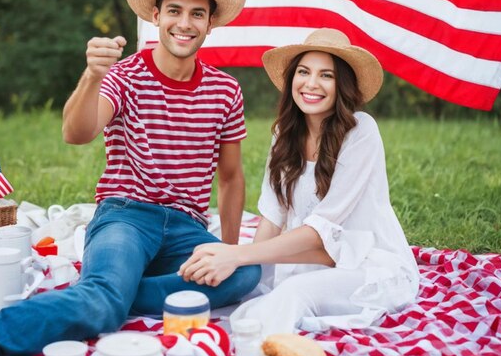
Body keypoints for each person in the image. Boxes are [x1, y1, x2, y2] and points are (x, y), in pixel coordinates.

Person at [0, 0, 261, 356]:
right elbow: (77, 133)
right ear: (156, 16)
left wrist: (229, 251)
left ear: (210, 22)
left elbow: (232, 177)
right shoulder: (123, 75)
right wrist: (93, 75)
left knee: (245, 272)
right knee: (103, 305)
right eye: (174, 11)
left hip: (187, 225)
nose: (185, 23)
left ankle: (124, 290)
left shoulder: (225, 89)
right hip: (126, 214)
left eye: (197, 13)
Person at [179, 28, 419, 335]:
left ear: (342, 85)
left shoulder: (361, 132)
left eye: (326, 75)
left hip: (364, 263)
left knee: (293, 295)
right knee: (238, 286)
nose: (311, 83)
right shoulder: (284, 133)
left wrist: (237, 254)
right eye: (304, 72)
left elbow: (321, 233)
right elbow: (273, 218)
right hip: (306, 258)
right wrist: (241, 266)